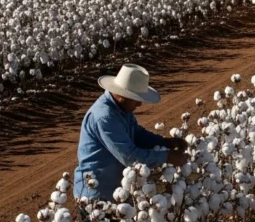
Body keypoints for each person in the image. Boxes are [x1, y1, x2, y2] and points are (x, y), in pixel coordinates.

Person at [74, 64, 188, 202]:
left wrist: (165, 142)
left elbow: (137, 134)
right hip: (97, 197)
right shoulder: (105, 117)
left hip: (114, 193)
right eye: (137, 99)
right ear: (122, 96)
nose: (139, 105)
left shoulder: (121, 109)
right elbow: (130, 157)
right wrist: (167, 157)